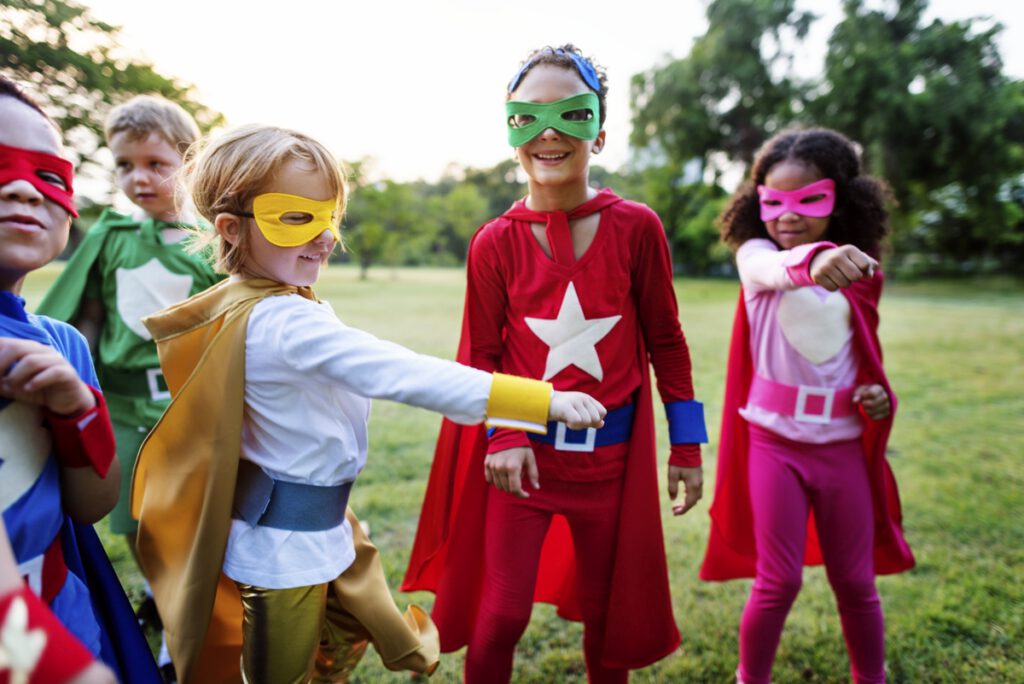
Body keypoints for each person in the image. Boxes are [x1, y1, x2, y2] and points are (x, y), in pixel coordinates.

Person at [129, 123, 607, 684]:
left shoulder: (263, 301)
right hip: (284, 551)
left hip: (320, 531)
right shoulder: (283, 320)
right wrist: (538, 399)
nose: (326, 236)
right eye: (296, 217)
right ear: (232, 229)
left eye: (329, 214)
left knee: (340, 639)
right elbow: (401, 372)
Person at [402, 44, 708, 683]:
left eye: (569, 114)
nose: (547, 133)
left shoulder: (637, 228)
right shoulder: (494, 243)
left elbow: (667, 342)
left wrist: (687, 445)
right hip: (524, 464)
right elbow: (481, 356)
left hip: (611, 467)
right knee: (503, 614)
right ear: (510, 129)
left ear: (598, 131)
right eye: (527, 116)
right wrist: (508, 433)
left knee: (608, 614)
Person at [700, 127, 916, 684]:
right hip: (774, 445)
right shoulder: (757, 257)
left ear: (841, 199)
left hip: (842, 445)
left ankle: (871, 676)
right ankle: (752, 678)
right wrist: (813, 259)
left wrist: (875, 396)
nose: (788, 216)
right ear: (756, 204)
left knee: (855, 580)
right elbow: (769, 269)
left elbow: (863, 358)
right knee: (779, 580)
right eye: (773, 202)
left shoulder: (863, 274)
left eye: (808, 200)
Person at [0, 75, 159, 682]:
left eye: (46, 175)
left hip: (65, 615)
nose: (21, 187)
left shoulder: (62, 344)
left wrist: (75, 410)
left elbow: (89, 504)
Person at [36, 95, 222, 580]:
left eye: (154, 164)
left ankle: (187, 608)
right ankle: (159, 597)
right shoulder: (111, 237)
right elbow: (91, 314)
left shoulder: (211, 244)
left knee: (190, 515)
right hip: (118, 401)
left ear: (188, 163)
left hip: (184, 406)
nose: (138, 178)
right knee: (129, 517)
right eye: (124, 165)